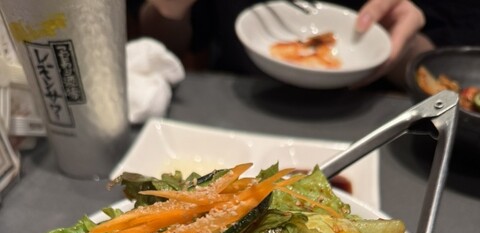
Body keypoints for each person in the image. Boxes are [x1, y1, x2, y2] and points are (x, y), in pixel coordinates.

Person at [131, 1, 475, 85]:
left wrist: (403, 47)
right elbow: (161, 47)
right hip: (236, 102)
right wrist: (168, 10)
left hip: (371, 118)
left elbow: (457, 75)